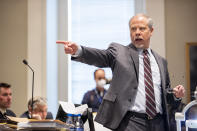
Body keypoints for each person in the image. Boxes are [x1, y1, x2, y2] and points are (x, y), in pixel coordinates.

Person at [56, 14, 185, 131]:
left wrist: (176, 95)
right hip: (131, 122)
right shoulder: (119, 52)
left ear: (151, 31)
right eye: (133, 29)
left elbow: (166, 94)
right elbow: (100, 56)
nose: (137, 33)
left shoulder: (161, 61)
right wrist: (79, 50)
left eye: (141, 28)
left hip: (159, 123)